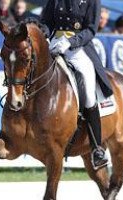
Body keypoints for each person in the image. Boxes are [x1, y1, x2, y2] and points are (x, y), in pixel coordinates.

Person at [41, 0, 113, 170]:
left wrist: (70, 42)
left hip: (78, 48)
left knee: (88, 92)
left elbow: (91, 29)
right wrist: (43, 33)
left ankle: (96, 149)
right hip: (54, 43)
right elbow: (46, 21)